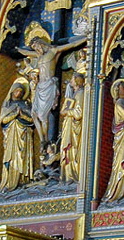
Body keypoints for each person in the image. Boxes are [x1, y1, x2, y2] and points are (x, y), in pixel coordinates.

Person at [16, 22, 87, 156]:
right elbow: (27, 53)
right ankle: (43, 139)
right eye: (34, 48)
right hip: (40, 87)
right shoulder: (39, 56)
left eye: (36, 46)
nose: (36, 50)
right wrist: (18, 50)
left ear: (41, 43)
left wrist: (86, 39)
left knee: (43, 116)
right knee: (34, 114)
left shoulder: (53, 51)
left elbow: (71, 45)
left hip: (49, 85)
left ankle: (47, 140)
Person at [0, 78, 36, 191]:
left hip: (24, 133)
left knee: (22, 156)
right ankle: (10, 182)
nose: (19, 93)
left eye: (21, 92)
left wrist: (22, 116)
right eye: (17, 91)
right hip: (11, 135)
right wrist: (15, 115)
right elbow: (3, 120)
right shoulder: (7, 104)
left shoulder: (25, 104)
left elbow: (32, 119)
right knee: (11, 157)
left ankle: (23, 180)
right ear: (12, 91)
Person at [59, 72, 85, 183]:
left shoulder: (80, 94)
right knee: (66, 149)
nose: (71, 81)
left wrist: (67, 112)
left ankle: (73, 174)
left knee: (71, 149)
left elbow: (78, 113)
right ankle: (67, 175)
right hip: (69, 125)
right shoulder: (75, 94)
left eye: (73, 79)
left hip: (75, 128)